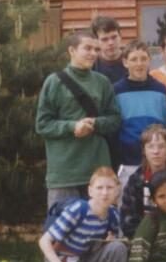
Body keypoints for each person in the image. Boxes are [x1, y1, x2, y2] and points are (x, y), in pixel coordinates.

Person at [35, 30, 122, 206]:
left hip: (98, 174)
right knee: (62, 223)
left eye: (96, 49)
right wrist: (72, 127)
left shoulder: (102, 82)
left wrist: (96, 123)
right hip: (64, 174)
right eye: (87, 48)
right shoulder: (54, 82)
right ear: (72, 51)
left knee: (99, 223)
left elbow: (115, 120)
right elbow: (42, 125)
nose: (93, 53)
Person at [120, 124, 166, 239]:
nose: (156, 151)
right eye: (151, 147)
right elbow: (128, 219)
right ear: (144, 150)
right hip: (144, 238)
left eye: (161, 146)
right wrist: (142, 238)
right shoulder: (135, 180)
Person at [114, 40, 166, 166]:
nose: (139, 64)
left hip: (156, 158)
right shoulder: (116, 91)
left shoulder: (161, 90)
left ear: (149, 60)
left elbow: (165, 125)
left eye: (143, 59)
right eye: (134, 59)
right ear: (125, 62)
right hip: (127, 158)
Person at [92, 16, 127, 84]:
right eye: (104, 39)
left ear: (120, 37)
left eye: (114, 37)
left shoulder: (132, 61)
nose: (110, 43)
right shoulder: (92, 65)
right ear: (97, 42)